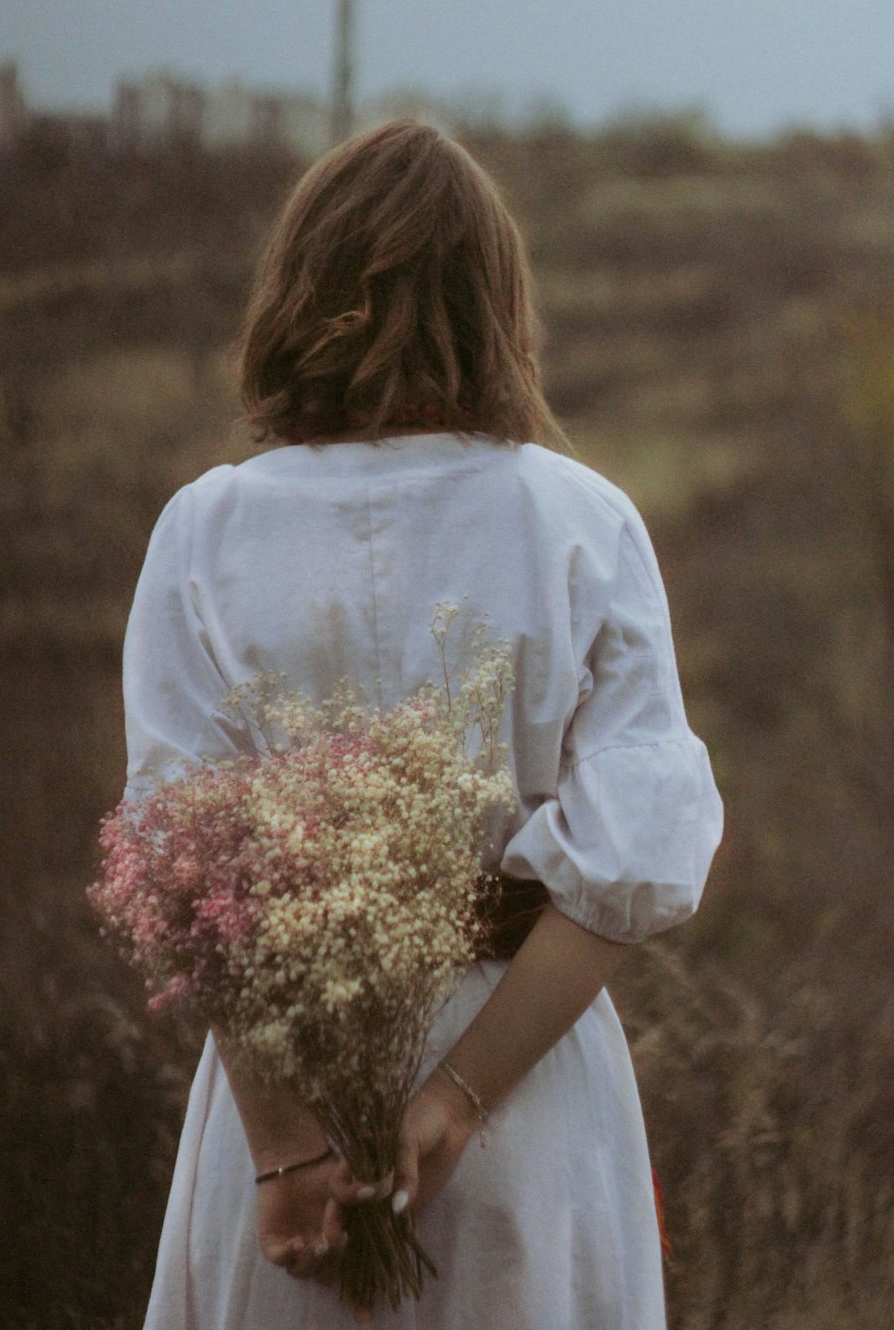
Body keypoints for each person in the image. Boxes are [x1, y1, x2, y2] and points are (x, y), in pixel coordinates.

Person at [123, 120, 723, 1329]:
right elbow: (630, 860)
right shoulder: (580, 519)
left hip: (279, 1103)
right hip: (526, 1097)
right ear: (497, 299)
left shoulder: (207, 529)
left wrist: (288, 1153)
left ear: (300, 292)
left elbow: (190, 864)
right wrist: (453, 1097)